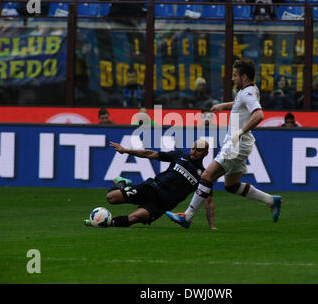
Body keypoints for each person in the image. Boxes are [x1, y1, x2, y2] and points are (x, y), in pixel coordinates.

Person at [165, 59, 282, 229]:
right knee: (231, 185)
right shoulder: (249, 90)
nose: (232, 79)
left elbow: (259, 115)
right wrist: (223, 106)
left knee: (206, 177)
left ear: (244, 76)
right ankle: (271, 200)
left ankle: (187, 216)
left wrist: (239, 132)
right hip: (242, 143)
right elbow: (240, 104)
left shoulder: (248, 93)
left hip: (237, 143)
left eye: (235, 76)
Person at [87, 139, 210, 227]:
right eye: (193, 148)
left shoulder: (204, 175)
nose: (193, 152)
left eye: (198, 150)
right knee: (111, 198)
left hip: (162, 204)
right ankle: (123, 182)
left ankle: (106, 223)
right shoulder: (180, 155)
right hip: (151, 188)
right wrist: (125, 150)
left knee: (135, 218)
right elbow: (150, 154)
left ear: (206, 153)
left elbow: (207, 200)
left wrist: (212, 225)